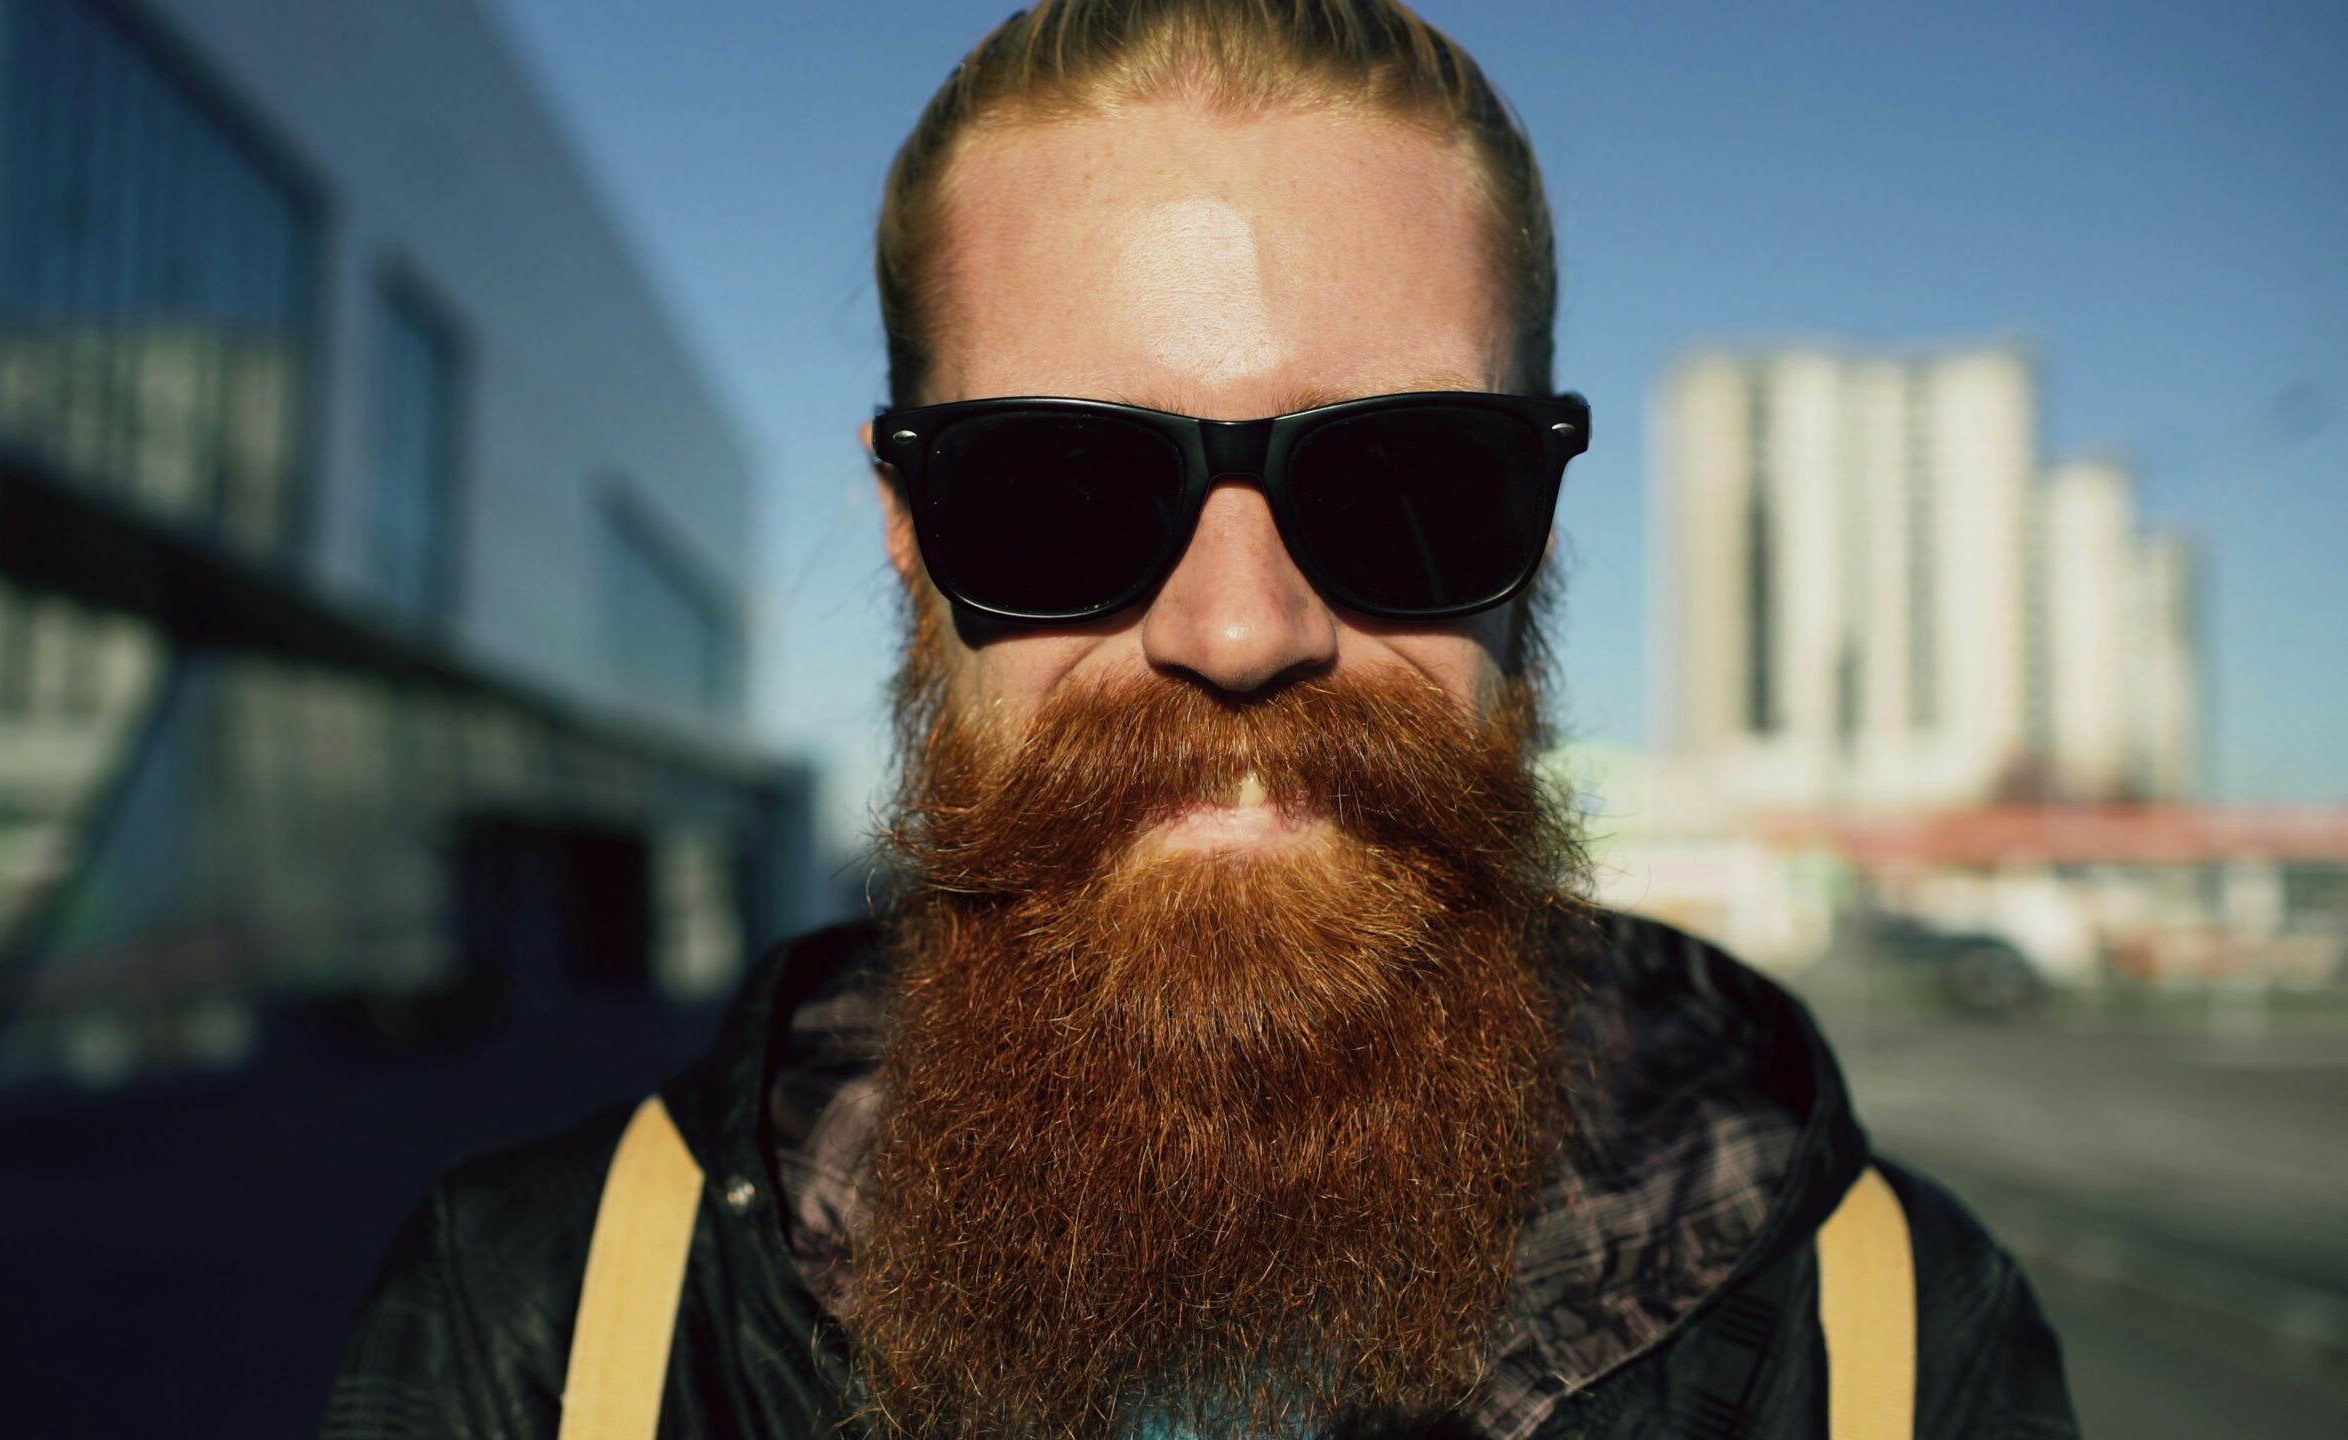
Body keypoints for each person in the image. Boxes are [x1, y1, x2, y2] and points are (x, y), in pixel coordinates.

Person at [323, 3, 2078, 1436]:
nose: (1238, 629)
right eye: (1058, 487)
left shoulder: (1887, 1345)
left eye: (1403, 481)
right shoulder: (549, 1323)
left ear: (1539, 523)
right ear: (906, 525)